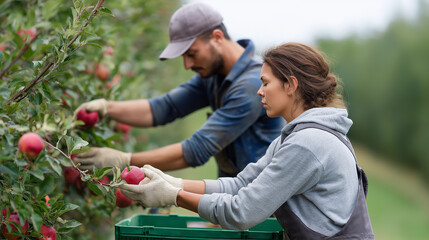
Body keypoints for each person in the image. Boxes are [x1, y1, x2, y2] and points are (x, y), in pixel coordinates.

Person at [119, 42, 375, 239]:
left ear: (291, 85)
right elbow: (242, 184)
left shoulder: (308, 144)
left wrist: (174, 196)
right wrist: (174, 182)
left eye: (265, 83)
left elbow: (241, 211)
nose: (259, 91)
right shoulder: (295, 137)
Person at [73, 2, 284, 177]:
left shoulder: (251, 85)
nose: (187, 64)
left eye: (191, 53)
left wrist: (124, 161)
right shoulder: (214, 76)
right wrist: (106, 108)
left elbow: (196, 149)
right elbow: (165, 108)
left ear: (217, 38)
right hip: (238, 199)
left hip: (264, 205)